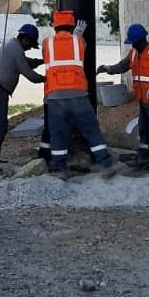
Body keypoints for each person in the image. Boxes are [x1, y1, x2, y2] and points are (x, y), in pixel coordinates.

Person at [43, 10, 115, 178]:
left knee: (58, 134)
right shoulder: (79, 41)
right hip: (78, 95)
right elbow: (81, 48)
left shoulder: (47, 43)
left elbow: (47, 57)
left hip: (55, 96)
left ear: (55, 27)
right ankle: (106, 164)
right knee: (91, 130)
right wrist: (77, 36)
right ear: (72, 26)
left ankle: (59, 169)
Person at [99, 22, 149, 171]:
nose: (133, 45)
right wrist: (108, 69)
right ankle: (143, 157)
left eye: (135, 42)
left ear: (142, 40)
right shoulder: (133, 53)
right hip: (143, 101)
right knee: (143, 130)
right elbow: (123, 66)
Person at [0, 22, 44, 174]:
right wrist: (46, 79)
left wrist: (41, 61)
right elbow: (28, 73)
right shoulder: (15, 50)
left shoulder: (12, 46)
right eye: (30, 45)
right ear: (26, 39)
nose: (29, 48)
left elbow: (26, 62)